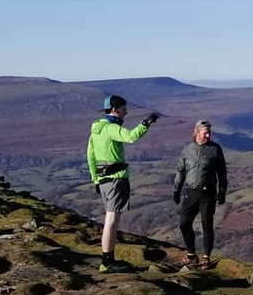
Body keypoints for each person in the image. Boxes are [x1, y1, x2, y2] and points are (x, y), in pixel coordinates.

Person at [86, 94, 160, 272]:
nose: (126, 112)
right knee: (112, 220)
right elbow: (130, 137)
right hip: (116, 178)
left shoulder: (96, 130)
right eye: (124, 109)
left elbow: (90, 156)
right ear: (115, 110)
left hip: (103, 179)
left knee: (109, 218)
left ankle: (108, 260)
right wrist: (146, 123)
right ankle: (107, 262)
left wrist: (96, 179)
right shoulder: (111, 128)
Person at [172, 120, 228, 271]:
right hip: (190, 191)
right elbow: (181, 171)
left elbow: (222, 171)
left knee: (206, 224)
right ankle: (191, 254)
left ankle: (206, 257)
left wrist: (222, 191)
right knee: (184, 223)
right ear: (196, 133)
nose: (208, 135)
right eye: (205, 133)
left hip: (208, 192)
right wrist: (176, 190)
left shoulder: (215, 149)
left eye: (209, 133)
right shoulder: (187, 149)